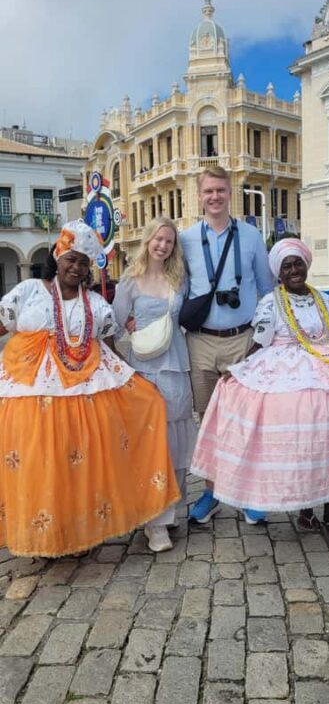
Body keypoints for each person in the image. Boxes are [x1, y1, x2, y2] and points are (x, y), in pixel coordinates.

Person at [190, 238, 329, 538]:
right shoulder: (271, 303)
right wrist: (237, 371)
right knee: (303, 438)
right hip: (287, 369)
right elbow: (259, 343)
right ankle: (306, 511)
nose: (294, 269)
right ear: (279, 273)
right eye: (287, 266)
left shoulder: (325, 302)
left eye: (298, 263)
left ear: (306, 266)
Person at [0, 220, 179, 557]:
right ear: (58, 256)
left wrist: (137, 383)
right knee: (42, 463)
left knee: (77, 462)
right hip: (29, 392)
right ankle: (46, 534)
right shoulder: (29, 291)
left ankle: (94, 528)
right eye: (71, 258)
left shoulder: (97, 305)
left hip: (85, 393)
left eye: (84, 262)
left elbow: (110, 348)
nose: (76, 267)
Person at [180, 166, 273, 524]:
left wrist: (268, 338)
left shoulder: (250, 236)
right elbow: (177, 289)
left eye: (220, 190)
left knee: (246, 421)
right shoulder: (187, 239)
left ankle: (248, 494)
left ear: (229, 192)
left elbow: (267, 290)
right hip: (201, 342)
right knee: (208, 422)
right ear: (199, 196)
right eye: (208, 192)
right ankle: (212, 492)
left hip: (242, 342)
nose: (214, 197)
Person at [113, 216, 197, 552]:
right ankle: (154, 521)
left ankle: (172, 508)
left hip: (176, 367)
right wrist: (131, 335)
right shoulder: (130, 282)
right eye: (158, 239)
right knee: (152, 445)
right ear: (147, 240)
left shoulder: (180, 279)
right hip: (146, 370)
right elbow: (115, 326)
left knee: (176, 444)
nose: (163, 245)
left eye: (169, 241)